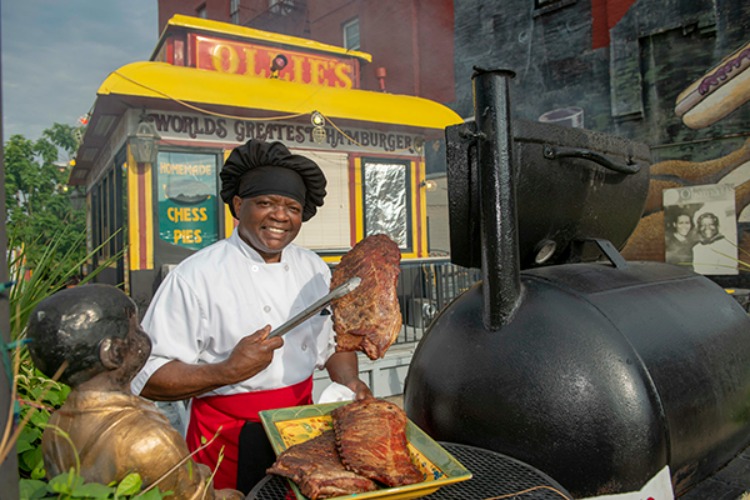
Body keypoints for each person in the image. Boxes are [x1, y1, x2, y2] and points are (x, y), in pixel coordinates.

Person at [131, 139, 372, 493]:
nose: (280, 216)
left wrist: (349, 382)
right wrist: (226, 371)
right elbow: (147, 377)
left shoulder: (314, 269)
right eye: (266, 203)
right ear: (238, 205)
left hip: (300, 429)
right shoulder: (195, 276)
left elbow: (334, 343)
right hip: (225, 438)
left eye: (292, 207)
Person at [26, 284, 242, 500]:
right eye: (136, 328)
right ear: (115, 353)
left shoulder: (56, 423)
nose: (143, 334)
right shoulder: (151, 439)